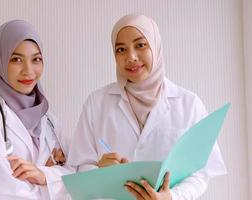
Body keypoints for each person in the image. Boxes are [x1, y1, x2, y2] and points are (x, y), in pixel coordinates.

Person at [66, 14, 226, 200]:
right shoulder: (97, 103)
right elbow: (80, 166)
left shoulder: (188, 104)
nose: (131, 57)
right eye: (121, 49)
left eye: (140, 45)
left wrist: (172, 197)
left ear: (155, 46)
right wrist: (99, 172)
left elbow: (200, 173)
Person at [0, 20, 71, 200]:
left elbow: (77, 178)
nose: (29, 71)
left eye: (36, 59)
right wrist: (52, 183)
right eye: (16, 59)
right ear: (0, 61)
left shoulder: (49, 120)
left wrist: (43, 175)